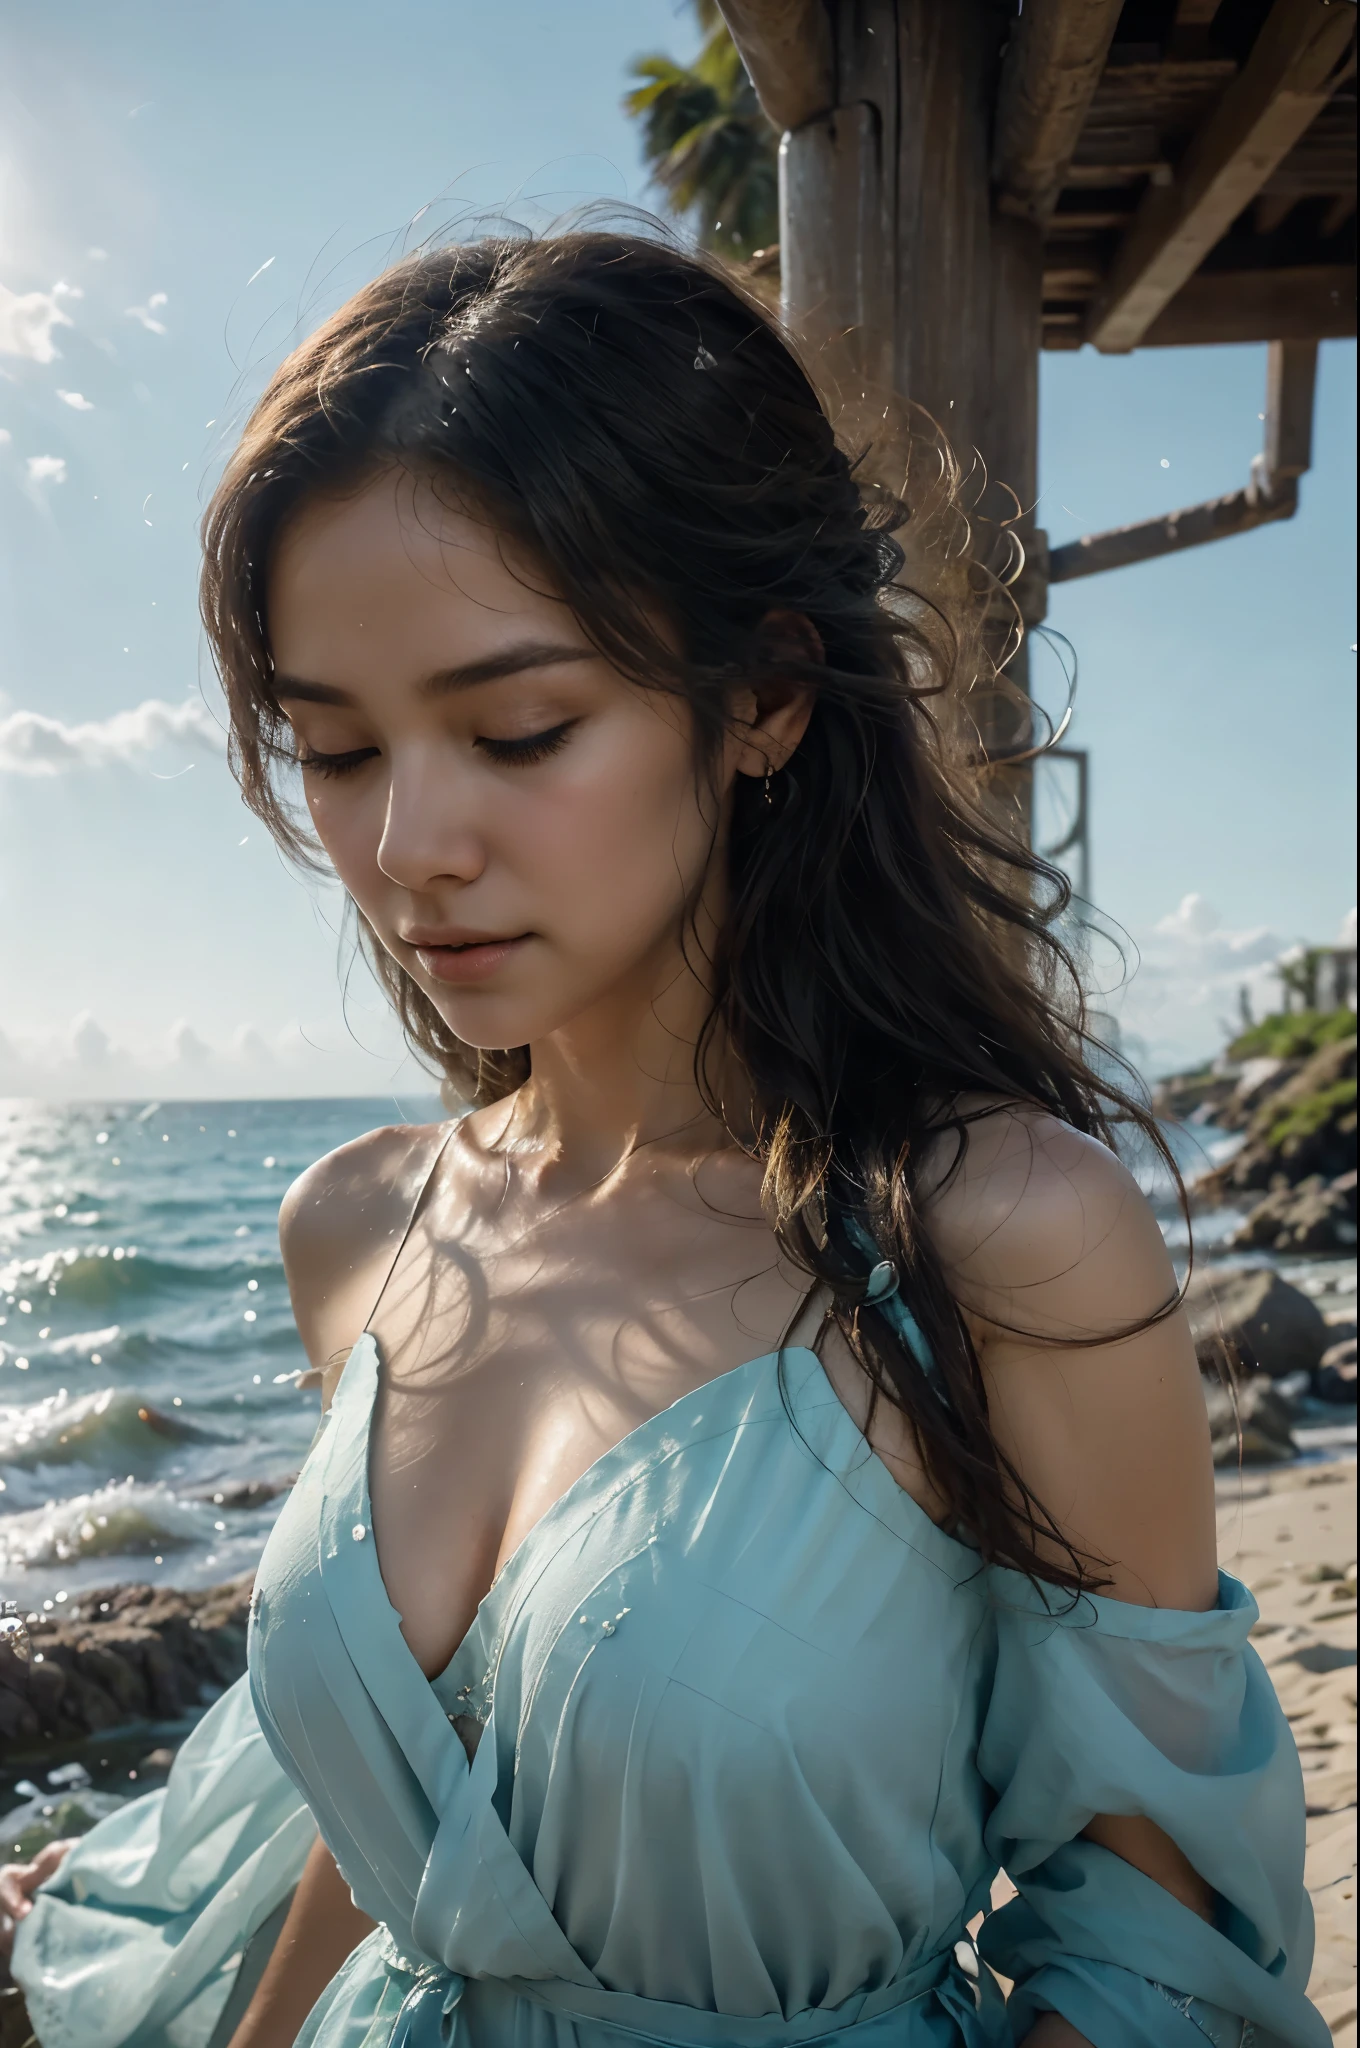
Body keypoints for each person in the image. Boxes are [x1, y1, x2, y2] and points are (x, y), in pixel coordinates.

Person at [13, 225, 1328, 2048]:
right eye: (334, 750)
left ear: (767, 695)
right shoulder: (356, 1232)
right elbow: (397, 1819)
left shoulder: (1003, 1241)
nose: (407, 845)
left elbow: (1149, 1925)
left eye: (520, 728)